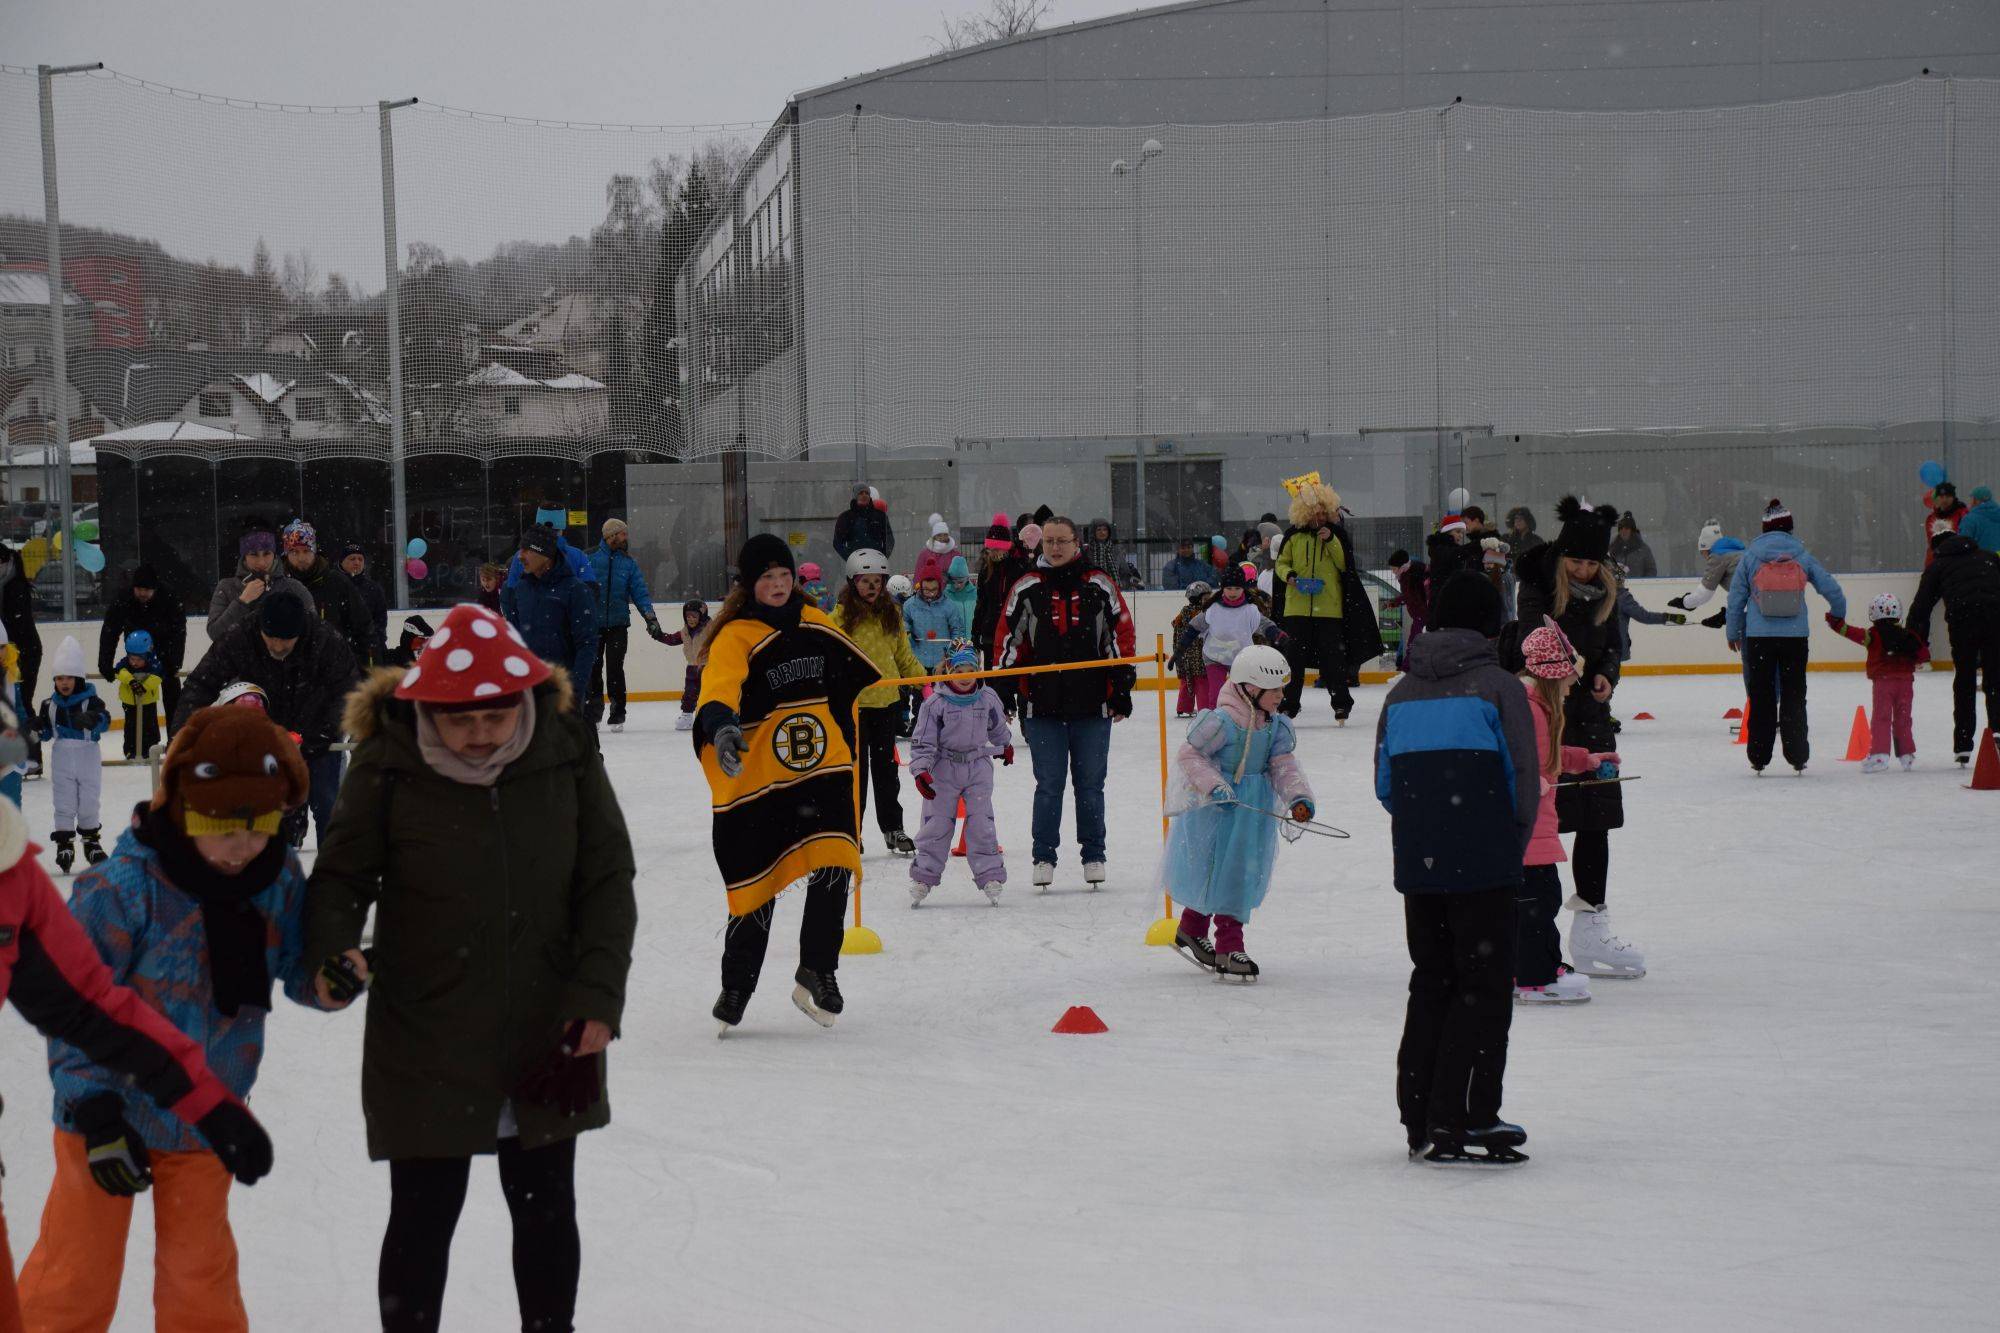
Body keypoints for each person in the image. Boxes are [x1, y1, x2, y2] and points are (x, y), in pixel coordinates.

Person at [306, 601, 636, 1333]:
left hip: (548, 1019)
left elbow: (606, 878)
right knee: (423, 1215)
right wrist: (331, 950)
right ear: (430, 705)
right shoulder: (389, 762)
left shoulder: (564, 748)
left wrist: (597, 995)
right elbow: (341, 875)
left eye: (496, 715)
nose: (482, 733)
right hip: (426, 1023)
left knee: (547, 1210)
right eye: (462, 719)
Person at [15, 707, 313, 1332]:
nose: (241, 846)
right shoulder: (120, 888)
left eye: (260, 824)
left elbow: (297, 968)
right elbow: (75, 1009)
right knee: (76, 1271)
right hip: (105, 1112)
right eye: (219, 824)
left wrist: (335, 977)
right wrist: (95, 1115)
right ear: (181, 807)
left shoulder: (277, 877)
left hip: (205, 1117)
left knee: (198, 1277)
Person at [1374, 572, 1539, 1165]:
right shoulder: (1499, 688)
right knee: (1484, 986)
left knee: (1433, 979)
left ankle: (1420, 1114)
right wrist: (1503, 844)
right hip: (1485, 860)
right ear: (1491, 625)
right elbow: (1525, 781)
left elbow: (1385, 785)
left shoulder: (1399, 694)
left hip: (1421, 863)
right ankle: (1466, 1115)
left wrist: (1429, 833)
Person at [691, 535, 880, 1033]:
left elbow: (852, 676)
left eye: (784, 576)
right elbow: (718, 688)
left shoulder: (816, 624)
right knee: (758, 877)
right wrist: (721, 725)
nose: (778, 585)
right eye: (767, 577)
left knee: (837, 858)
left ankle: (817, 969)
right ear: (748, 584)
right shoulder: (736, 635)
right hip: (765, 777)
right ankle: (738, 984)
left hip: (823, 766)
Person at [1511, 497, 1648, 979]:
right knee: (1539, 824)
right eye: (1577, 561)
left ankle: (1591, 925)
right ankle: (1531, 934)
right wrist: (1572, 672)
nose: (1586, 570)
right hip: (1545, 712)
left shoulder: (1606, 590)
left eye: (1593, 562)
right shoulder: (1538, 587)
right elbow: (1535, 644)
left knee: (1597, 821)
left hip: (1591, 716)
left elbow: (1614, 646)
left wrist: (1606, 675)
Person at [993, 516, 1136, 890]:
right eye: (1049, 541)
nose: (1055, 548)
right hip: (1042, 707)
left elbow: (1120, 635)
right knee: (1049, 784)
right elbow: (1008, 639)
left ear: (1077, 543)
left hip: (1092, 705)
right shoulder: (1027, 587)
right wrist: (1004, 687)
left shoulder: (1098, 583)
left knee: (1090, 785)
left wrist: (1121, 684)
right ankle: (1044, 856)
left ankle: (1094, 854)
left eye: (1062, 541)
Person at [1163, 645, 1315, 982]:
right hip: (1217, 808)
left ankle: (1191, 927)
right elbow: (1190, 757)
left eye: (1281, 689)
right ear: (1250, 687)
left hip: (1251, 812)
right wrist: (1214, 786)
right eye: (1273, 689)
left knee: (1238, 872)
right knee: (1215, 868)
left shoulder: (1275, 727)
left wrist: (1297, 797)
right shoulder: (1222, 722)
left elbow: (1283, 765)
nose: (1280, 696)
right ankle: (1229, 944)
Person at [177, 593, 358, 849]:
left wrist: (320, 734)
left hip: (317, 732)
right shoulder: (241, 636)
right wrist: (184, 734)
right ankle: (278, 853)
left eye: (287, 640)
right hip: (262, 737)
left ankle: (333, 872)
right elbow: (201, 683)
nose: (278, 646)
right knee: (262, 809)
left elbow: (348, 691)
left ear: (301, 632)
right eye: (271, 638)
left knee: (328, 802)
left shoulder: (325, 639)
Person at [1513, 620, 1615, 1005]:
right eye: (1570, 680)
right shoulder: (1531, 710)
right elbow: (1520, 764)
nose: (1572, 687)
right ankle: (1535, 976)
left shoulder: (1535, 705)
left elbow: (1545, 760)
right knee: (1537, 901)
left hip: (1530, 826)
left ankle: (1534, 967)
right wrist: (1529, 783)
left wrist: (1586, 760)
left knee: (1533, 901)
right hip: (1526, 828)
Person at [1726, 499, 1847, 775]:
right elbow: (1831, 588)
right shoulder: (1802, 555)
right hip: (1795, 637)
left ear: (1764, 528)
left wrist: (1733, 631)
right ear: (1789, 528)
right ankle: (1797, 754)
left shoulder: (1751, 556)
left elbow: (1736, 599)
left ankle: (1758, 756)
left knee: (1761, 696)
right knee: (1794, 694)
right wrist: (1838, 613)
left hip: (1759, 637)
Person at [831, 549, 923, 855]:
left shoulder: (892, 614)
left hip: (886, 704)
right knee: (854, 774)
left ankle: (892, 829)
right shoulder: (841, 616)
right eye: (865, 581)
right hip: (854, 708)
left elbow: (903, 656)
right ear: (853, 582)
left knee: (887, 771)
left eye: (877, 581)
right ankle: (851, 832)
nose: (871, 587)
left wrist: (927, 685)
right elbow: (828, 658)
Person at [908, 645, 1013, 907]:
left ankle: (990, 874)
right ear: (948, 671)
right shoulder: (935, 703)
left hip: (978, 766)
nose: (965, 676)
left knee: (981, 821)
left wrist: (1005, 745)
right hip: (944, 768)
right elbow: (924, 741)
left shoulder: (987, 697)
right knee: (937, 823)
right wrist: (921, 770)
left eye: (971, 670)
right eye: (959, 670)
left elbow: (997, 725)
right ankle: (925, 875)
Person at [1274, 482, 1381, 721]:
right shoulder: (1293, 536)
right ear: (1305, 512)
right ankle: (1289, 704)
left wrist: (1331, 540)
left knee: (1334, 659)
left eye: (1324, 512)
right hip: (1296, 607)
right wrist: (1289, 576)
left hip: (1329, 609)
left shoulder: (1337, 535)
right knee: (1294, 659)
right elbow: (1280, 564)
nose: (1320, 517)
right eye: (1315, 512)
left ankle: (1341, 704)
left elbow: (1345, 565)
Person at [1906, 518, 2000, 765]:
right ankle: (1998, 731)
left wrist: (1914, 645)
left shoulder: (1938, 565)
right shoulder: (1989, 557)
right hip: (1995, 618)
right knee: (1995, 678)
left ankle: (1963, 745)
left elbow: (1921, 608)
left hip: (1963, 622)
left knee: (1965, 680)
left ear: (1938, 547)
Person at [1827, 593, 1930, 772]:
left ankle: (1880, 756)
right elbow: (1923, 653)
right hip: (1905, 682)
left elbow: (1852, 633)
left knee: (1881, 718)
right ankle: (1906, 755)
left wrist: (1836, 624)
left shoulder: (1873, 635)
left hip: (1884, 682)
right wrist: (1918, 659)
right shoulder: (1908, 635)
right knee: (1903, 718)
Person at [35, 636, 111, 873]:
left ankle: (91, 841)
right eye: (58, 678)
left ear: (78, 678)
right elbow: (47, 733)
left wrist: (95, 719)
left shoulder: (92, 701)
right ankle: (64, 843)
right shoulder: (50, 704)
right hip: (62, 758)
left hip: (88, 756)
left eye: (68, 677)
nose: (63, 682)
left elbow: (105, 720)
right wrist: (37, 727)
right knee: (63, 801)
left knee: (89, 800)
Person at [586, 518, 668, 732]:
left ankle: (617, 713)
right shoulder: (590, 559)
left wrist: (651, 620)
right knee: (593, 669)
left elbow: (640, 593)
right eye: (622, 534)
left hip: (618, 625)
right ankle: (594, 712)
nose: (626, 538)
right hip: (592, 626)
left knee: (615, 669)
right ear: (611, 536)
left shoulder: (628, 563)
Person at [503, 526, 599, 691]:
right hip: (527, 689)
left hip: (561, 692)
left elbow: (587, 644)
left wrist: (574, 693)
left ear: (545, 555)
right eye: (520, 550)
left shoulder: (575, 590)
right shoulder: (520, 590)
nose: (520, 556)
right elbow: (513, 639)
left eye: (526, 550)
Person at [99, 564, 187, 738]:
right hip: (137, 655)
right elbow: (110, 630)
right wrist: (105, 663)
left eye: (146, 590)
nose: (142, 594)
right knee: (140, 698)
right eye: (139, 589)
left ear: (155, 589)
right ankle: (145, 744)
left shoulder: (169, 597)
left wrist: (173, 662)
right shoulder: (123, 599)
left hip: (164, 650)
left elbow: (179, 631)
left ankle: (175, 740)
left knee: (173, 697)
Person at [1181, 565, 1284, 713]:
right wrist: (1180, 649)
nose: (1233, 592)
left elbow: (1264, 624)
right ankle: (1214, 721)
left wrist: (1278, 635)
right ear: (1222, 588)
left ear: (1243, 588)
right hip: (1215, 657)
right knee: (1216, 694)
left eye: (1237, 588)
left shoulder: (1249, 609)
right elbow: (1195, 626)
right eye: (1229, 588)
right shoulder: (1213, 608)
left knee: (1246, 692)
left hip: (1241, 658)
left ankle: (1247, 717)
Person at [279, 520, 377, 669]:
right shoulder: (277, 586)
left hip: (335, 674)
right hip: (288, 675)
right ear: (286, 554)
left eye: (306, 551)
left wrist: (369, 671)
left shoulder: (337, 582)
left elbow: (364, 630)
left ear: (314, 550)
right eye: (294, 552)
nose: (301, 558)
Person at [208, 524, 310, 642]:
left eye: (267, 553)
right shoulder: (226, 587)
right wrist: (242, 601)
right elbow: (215, 633)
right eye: (253, 554)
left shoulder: (294, 588)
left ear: (274, 554)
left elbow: (312, 632)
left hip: (282, 659)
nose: (261, 562)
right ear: (244, 556)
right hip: (238, 659)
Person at [0, 541, 41, 773]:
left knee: (21, 703)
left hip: (25, 653)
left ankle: (32, 757)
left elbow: (16, 624)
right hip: (9, 653)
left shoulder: (15, 586)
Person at [972, 513, 1030, 667]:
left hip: (1012, 632)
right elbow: (981, 604)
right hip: (990, 632)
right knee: (992, 678)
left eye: (997, 548)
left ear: (1006, 547)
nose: (993, 552)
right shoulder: (986, 570)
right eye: (990, 548)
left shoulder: (1019, 567)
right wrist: (976, 632)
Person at [1666, 519, 1744, 627]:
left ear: (1707, 548)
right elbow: (1747, 593)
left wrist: (1684, 603)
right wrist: (1727, 615)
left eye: (1703, 554)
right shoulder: (1739, 554)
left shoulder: (1718, 556)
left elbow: (1704, 594)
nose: (1707, 559)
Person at [660, 599, 712, 732]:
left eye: (694, 616)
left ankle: (709, 717)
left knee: (708, 693)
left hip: (708, 667)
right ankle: (687, 716)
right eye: (687, 616)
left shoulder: (711, 629)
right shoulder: (685, 632)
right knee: (689, 693)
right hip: (692, 667)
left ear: (702, 616)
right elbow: (672, 640)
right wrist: (658, 635)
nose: (690, 619)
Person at [903, 573, 968, 676]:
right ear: (920, 586)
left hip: (942, 663)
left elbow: (958, 633)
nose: (931, 594)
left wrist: (947, 660)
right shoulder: (910, 605)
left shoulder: (949, 606)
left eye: (934, 589)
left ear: (940, 587)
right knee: (919, 691)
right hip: (917, 662)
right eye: (926, 590)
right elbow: (903, 624)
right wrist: (907, 632)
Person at [115, 629, 165, 761]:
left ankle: (150, 750)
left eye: (138, 659)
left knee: (150, 726)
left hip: (148, 702)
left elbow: (158, 676)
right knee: (130, 727)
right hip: (129, 702)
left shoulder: (154, 662)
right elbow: (118, 670)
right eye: (132, 658)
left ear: (147, 655)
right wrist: (131, 681)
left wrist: (143, 687)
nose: (134, 663)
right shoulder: (126, 662)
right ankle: (130, 751)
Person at [339, 543, 390, 667]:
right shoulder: (334, 586)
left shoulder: (374, 589)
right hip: (340, 651)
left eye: (360, 559)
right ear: (341, 562)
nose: (357, 562)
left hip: (370, 652)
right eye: (352, 559)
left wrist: (373, 644)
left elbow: (380, 621)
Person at [1169, 581, 1212, 717]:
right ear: (1199, 599)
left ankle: (1183, 707)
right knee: (1201, 682)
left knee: (1186, 680)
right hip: (1199, 656)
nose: (1209, 601)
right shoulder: (1202, 614)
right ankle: (1204, 709)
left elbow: (1174, 624)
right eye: (1206, 598)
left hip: (1183, 655)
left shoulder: (1184, 612)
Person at [1386, 549, 1429, 670]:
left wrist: (1395, 602)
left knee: (1414, 642)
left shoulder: (1410, 576)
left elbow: (1410, 596)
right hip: (1421, 614)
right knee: (1416, 641)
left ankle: (1407, 668)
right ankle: (1408, 667)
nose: (1393, 571)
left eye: (1394, 568)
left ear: (1402, 566)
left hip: (1423, 614)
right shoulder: (1407, 573)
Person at [832, 484, 894, 560]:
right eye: (861, 493)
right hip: (855, 564)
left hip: (877, 563)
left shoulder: (880, 516)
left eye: (867, 493)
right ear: (855, 496)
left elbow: (889, 539)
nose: (864, 495)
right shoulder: (845, 517)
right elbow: (837, 542)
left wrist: (883, 556)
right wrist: (850, 558)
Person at [1922, 481, 1968, 565]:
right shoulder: (1931, 518)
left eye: (1948, 496)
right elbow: (1931, 542)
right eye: (1941, 496)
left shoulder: (1963, 515)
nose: (1944, 499)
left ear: (1953, 497)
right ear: (1937, 498)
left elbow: (1965, 540)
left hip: (1956, 562)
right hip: (1935, 562)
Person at [911, 514, 958, 587]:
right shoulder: (924, 554)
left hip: (951, 593)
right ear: (934, 537)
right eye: (939, 535)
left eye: (945, 535)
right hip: (929, 592)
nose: (942, 538)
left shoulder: (955, 554)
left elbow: (960, 574)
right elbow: (918, 574)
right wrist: (918, 589)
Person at [1608, 514, 1657, 578]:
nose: (1623, 531)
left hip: (1637, 586)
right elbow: (1606, 568)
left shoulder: (1643, 549)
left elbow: (1651, 570)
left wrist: (1643, 583)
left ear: (1632, 531)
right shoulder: (1612, 548)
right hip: (1616, 586)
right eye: (1621, 528)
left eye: (1627, 528)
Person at [1960, 485, 2000, 554]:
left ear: (1975, 500)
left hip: (1979, 561)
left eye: (1971, 499)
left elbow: (1963, 543)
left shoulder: (1970, 519)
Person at [944, 554, 977, 629]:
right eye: (953, 581)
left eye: (960, 582)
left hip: (971, 638)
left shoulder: (975, 594)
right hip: (953, 639)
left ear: (967, 578)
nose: (956, 585)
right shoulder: (945, 595)